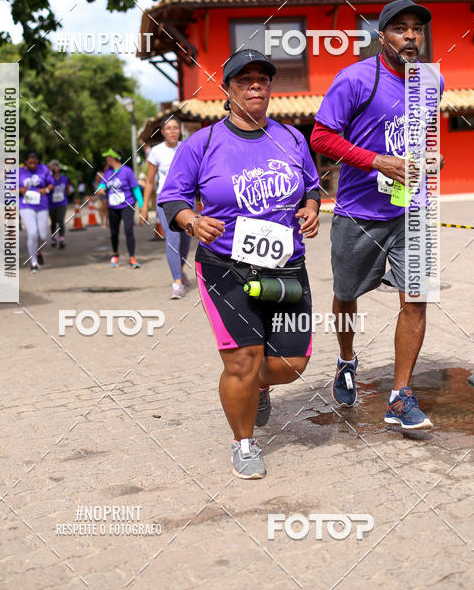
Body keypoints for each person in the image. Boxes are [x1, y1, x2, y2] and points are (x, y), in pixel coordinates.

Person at [159, 49, 320, 479]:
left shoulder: (291, 138)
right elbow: (172, 198)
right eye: (244, 80)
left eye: (262, 79)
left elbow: (311, 187)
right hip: (225, 266)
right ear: (227, 90)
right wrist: (192, 221)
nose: (255, 86)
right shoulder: (203, 143)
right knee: (243, 360)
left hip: (285, 265)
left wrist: (311, 208)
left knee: (290, 364)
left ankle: (260, 386)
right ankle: (244, 443)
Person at [310, 0, 445, 431]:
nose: (411, 36)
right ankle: (346, 359)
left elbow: (423, 132)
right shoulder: (354, 79)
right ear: (382, 35)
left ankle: (400, 396)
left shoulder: (432, 80)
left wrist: (431, 157)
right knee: (346, 293)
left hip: (414, 209)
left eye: (417, 29)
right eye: (401, 28)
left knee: (417, 297)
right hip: (359, 213)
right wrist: (376, 160)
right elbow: (321, 137)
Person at [140, 117, 191, 299]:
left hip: (185, 198)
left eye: (175, 128)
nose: (172, 131)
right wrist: (144, 206)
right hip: (165, 200)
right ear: (162, 132)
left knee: (186, 239)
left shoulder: (187, 148)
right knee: (173, 238)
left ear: (180, 130)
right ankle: (177, 283)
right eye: (168, 128)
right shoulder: (156, 152)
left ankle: (180, 269)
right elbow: (149, 181)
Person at [96, 149, 144, 268]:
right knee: (114, 232)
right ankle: (115, 254)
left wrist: (142, 206)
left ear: (113, 158)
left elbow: (135, 188)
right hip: (113, 206)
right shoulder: (108, 172)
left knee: (128, 230)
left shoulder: (127, 171)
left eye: (108, 157)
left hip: (127, 204)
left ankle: (132, 258)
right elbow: (102, 184)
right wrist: (100, 189)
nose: (106, 159)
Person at [19, 151, 54, 271]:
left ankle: (38, 251)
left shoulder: (43, 169)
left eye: (35, 162)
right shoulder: (19, 172)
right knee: (32, 233)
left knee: (42, 236)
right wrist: (20, 190)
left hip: (42, 205)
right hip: (26, 205)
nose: (33, 165)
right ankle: (33, 262)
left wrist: (46, 190)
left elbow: (51, 184)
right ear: (25, 162)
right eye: (30, 163)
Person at [48, 160, 72, 248]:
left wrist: (68, 192)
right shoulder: (49, 178)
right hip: (51, 203)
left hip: (62, 202)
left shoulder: (64, 178)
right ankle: (54, 237)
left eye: (57, 166)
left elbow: (67, 188)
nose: (55, 168)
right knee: (53, 221)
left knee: (60, 219)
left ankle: (62, 238)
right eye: (53, 166)